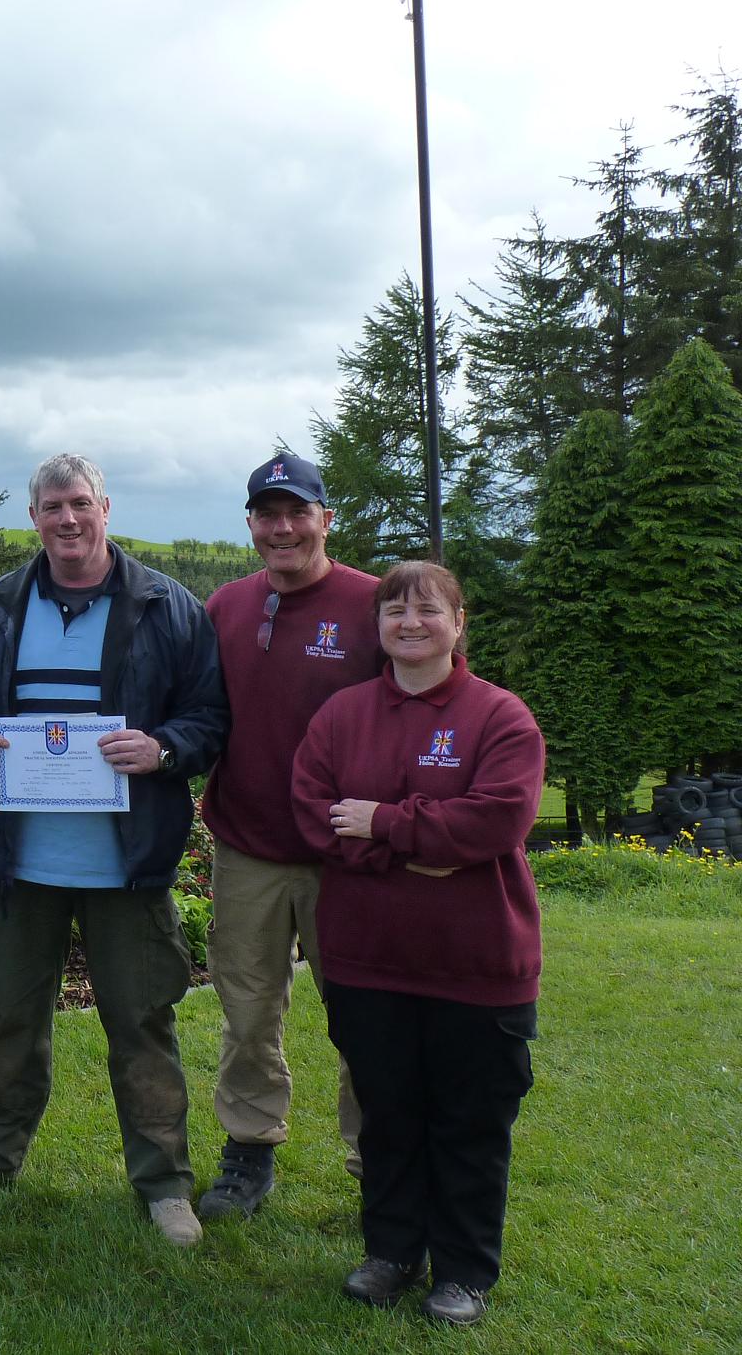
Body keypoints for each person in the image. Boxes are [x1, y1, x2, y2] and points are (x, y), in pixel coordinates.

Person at [0, 453, 229, 1249]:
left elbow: (209, 716)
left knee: (142, 1023)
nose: (67, 519)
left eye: (80, 504)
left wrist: (163, 749)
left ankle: (164, 1184)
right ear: (35, 517)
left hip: (126, 865)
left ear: (105, 508)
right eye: (52, 506)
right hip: (21, 861)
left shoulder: (168, 607)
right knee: (10, 1018)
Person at [292, 561, 545, 1327]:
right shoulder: (341, 715)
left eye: (428, 610)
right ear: (377, 629)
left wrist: (384, 825)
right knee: (389, 1114)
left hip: (478, 966)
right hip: (371, 962)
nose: (410, 623)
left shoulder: (500, 717)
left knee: (469, 1123)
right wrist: (420, 846)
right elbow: (314, 813)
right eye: (394, 610)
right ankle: (392, 1252)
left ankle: (463, 1270)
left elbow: (497, 821)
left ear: (458, 624)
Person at [195, 453, 379, 1219]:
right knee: (246, 1012)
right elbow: (200, 715)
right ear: (250, 525)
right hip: (248, 847)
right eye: (267, 514)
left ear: (325, 519)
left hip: (350, 858)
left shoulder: (374, 604)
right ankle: (248, 1147)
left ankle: (381, 1162)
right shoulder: (227, 608)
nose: (282, 528)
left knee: (367, 1016)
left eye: (297, 512)